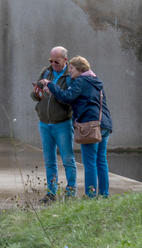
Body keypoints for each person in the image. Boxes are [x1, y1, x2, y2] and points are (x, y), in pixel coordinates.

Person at [41, 56, 111, 197]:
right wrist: (54, 92)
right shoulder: (95, 81)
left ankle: (91, 196)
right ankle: (104, 194)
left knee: (90, 162)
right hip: (104, 125)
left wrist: (50, 84)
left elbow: (67, 96)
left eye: (72, 68)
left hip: (89, 126)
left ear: (80, 69)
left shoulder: (80, 80)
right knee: (101, 160)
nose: (70, 70)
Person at [30, 45, 76, 202]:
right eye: (51, 61)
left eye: (57, 61)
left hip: (62, 123)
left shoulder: (70, 76)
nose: (53, 64)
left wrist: (53, 90)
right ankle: (51, 193)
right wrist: (38, 90)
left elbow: (69, 100)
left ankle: (70, 193)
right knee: (49, 161)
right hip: (44, 123)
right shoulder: (46, 71)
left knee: (68, 160)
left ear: (65, 60)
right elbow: (34, 96)